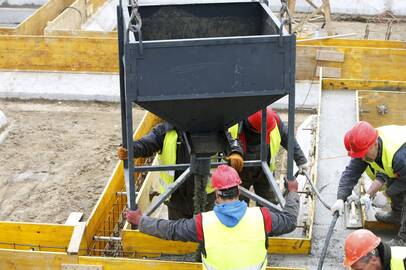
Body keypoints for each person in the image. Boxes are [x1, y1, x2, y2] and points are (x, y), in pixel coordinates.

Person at [125, 165, 300, 270]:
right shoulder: (261, 218)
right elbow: (290, 221)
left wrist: (140, 220)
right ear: (239, 191)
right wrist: (292, 192)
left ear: (217, 194)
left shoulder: (204, 223)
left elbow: (170, 230)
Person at [117, 121, 244, 220]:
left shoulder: (212, 129)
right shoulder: (166, 131)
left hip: (205, 195)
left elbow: (231, 141)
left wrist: (236, 152)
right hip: (176, 196)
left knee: (205, 232)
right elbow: (146, 144)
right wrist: (131, 149)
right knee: (178, 236)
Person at [331, 121, 406, 246]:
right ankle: (397, 215)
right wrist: (340, 198)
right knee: (394, 175)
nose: (363, 159)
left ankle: (403, 240)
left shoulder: (398, 156)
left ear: (375, 144)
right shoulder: (366, 144)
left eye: (364, 155)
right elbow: (351, 173)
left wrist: (386, 194)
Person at [229, 107, 307, 204]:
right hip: (240, 172)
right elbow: (224, 139)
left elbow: (289, 139)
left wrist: (301, 160)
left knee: (268, 204)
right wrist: (234, 152)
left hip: (264, 172)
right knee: (239, 205)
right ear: (256, 131)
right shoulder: (233, 123)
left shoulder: (274, 120)